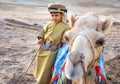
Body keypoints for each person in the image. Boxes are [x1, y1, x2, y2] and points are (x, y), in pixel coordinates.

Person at [33, 3, 68, 84]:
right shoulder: (49, 23)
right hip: (43, 48)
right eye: (52, 15)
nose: (54, 17)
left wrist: (63, 40)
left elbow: (64, 38)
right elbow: (42, 31)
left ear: (62, 15)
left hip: (53, 51)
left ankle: (44, 81)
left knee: (47, 68)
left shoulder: (65, 26)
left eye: (56, 15)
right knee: (40, 65)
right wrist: (41, 38)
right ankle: (38, 78)